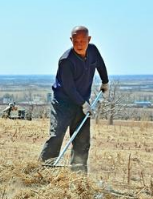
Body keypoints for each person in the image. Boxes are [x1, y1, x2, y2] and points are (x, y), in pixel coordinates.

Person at [39, 26, 109, 173]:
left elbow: (100, 65)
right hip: (62, 104)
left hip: (82, 103)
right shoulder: (66, 61)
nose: (79, 44)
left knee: (82, 141)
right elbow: (69, 88)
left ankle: (78, 175)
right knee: (56, 136)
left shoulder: (93, 51)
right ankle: (43, 170)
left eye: (82, 41)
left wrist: (105, 81)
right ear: (71, 40)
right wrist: (83, 104)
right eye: (75, 41)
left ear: (89, 40)